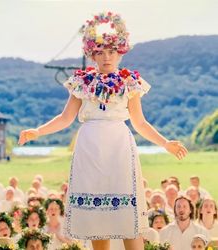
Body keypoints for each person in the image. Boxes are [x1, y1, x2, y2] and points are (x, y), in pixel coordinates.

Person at [18, 11, 187, 250]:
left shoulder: (130, 82)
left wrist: (166, 142)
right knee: (97, 218)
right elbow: (65, 118)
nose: (106, 57)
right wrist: (38, 131)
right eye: (100, 52)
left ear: (120, 53)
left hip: (118, 148)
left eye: (111, 52)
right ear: (92, 55)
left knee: (127, 217)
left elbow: (140, 123)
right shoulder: (82, 82)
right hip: (89, 150)